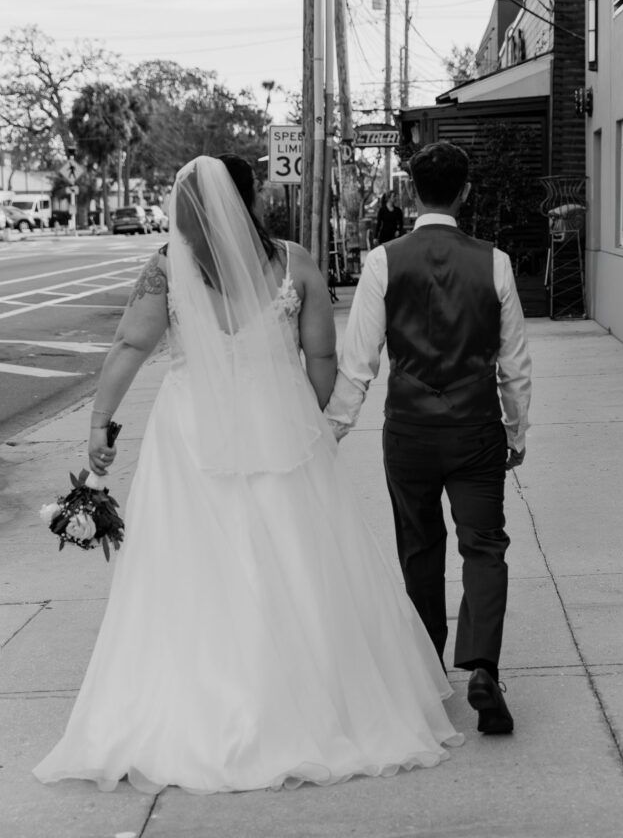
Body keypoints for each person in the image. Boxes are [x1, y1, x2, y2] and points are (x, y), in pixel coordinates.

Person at [34, 154, 462, 796]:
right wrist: (312, 422)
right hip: (279, 424)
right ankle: (312, 699)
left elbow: (129, 345)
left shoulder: (166, 266)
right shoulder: (294, 263)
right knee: (295, 555)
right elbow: (322, 356)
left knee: (193, 566)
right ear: (250, 197)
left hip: (193, 432)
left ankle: (202, 701)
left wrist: (100, 421)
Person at [325, 141, 531, 736]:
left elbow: (358, 361)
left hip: (410, 432)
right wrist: (516, 428)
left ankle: (426, 668)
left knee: (419, 547)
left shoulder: (383, 260)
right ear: (466, 191)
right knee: (484, 547)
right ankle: (483, 666)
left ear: (412, 191)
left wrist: (333, 430)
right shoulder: (494, 262)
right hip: (475, 429)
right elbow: (514, 361)